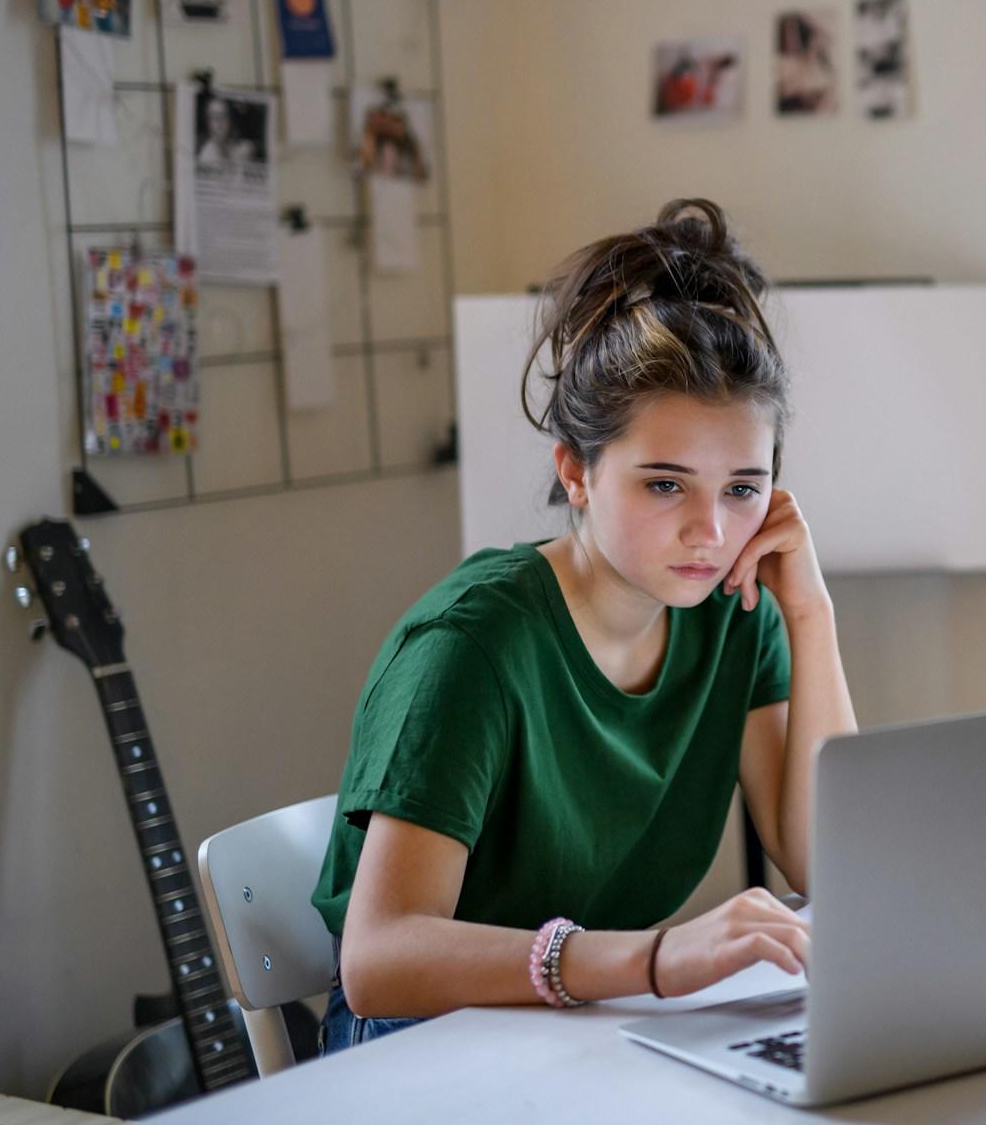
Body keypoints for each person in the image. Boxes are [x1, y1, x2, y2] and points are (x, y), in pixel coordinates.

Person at [311, 199, 857, 1051]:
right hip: (422, 1043)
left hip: (596, 1030)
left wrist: (811, 613)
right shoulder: (472, 645)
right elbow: (378, 959)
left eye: (743, 488)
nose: (711, 533)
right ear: (576, 471)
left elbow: (828, 867)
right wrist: (653, 960)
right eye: (665, 484)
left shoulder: (735, 613)